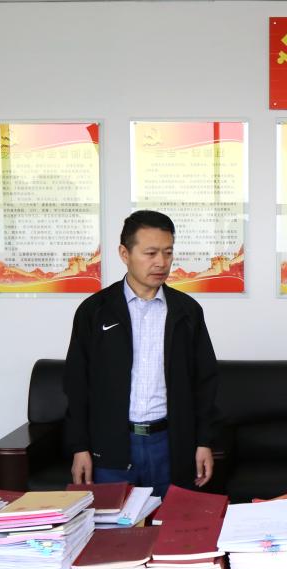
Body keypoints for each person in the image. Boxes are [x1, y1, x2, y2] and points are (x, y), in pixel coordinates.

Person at [64, 210, 217, 496]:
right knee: (114, 522)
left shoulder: (187, 312)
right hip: (113, 444)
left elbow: (205, 382)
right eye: (150, 253)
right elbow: (77, 384)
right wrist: (79, 447)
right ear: (125, 253)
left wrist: (204, 441)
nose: (161, 262)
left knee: (170, 520)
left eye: (168, 253)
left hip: (170, 443)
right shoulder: (95, 311)